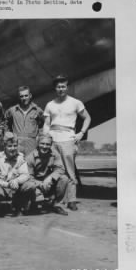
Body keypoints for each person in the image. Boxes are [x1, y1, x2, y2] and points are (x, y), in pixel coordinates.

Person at [43, 75, 91, 211]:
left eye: (63, 86)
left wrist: (81, 133)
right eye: (58, 87)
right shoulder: (50, 104)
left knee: (70, 171)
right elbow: (46, 124)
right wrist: (46, 137)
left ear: (67, 87)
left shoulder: (76, 102)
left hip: (68, 139)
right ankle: (55, 198)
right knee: (55, 170)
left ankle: (72, 200)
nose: (61, 89)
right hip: (53, 140)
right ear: (55, 88)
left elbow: (87, 118)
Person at [24, 134, 73, 215]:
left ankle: (57, 204)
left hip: (48, 181)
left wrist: (50, 178)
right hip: (35, 183)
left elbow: (60, 168)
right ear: (38, 143)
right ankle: (34, 201)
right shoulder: (30, 158)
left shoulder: (54, 154)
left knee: (64, 178)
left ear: (51, 145)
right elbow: (28, 177)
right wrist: (40, 184)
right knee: (30, 189)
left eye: (48, 144)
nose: (45, 146)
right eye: (42, 143)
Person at [0, 132, 32, 216]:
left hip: (15, 187)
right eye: (9, 146)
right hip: (3, 186)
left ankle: (19, 206)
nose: (12, 148)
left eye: (15, 146)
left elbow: (25, 174)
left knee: (30, 185)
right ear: (4, 147)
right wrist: (6, 184)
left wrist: (16, 180)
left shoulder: (20, 157)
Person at [5, 86, 44, 156]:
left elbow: (42, 125)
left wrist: (39, 137)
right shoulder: (12, 110)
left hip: (32, 142)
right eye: (21, 96)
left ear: (30, 96)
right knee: (17, 163)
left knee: (30, 164)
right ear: (19, 97)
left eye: (26, 96)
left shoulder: (37, 110)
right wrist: (8, 134)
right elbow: (6, 123)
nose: (24, 98)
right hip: (17, 143)